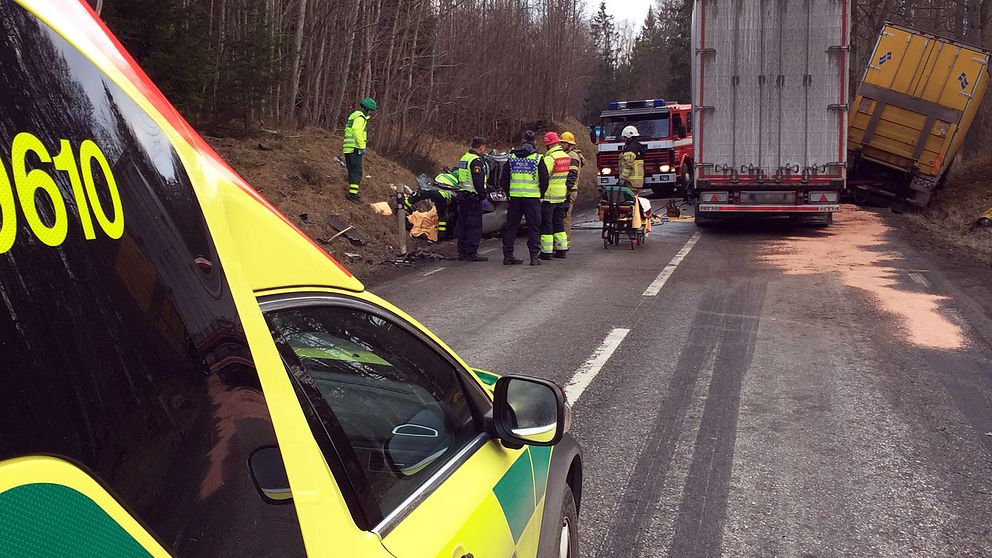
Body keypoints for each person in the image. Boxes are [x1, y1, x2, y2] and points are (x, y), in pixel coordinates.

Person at [501, 131, 546, 266]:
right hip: (532, 198)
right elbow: (544, 180)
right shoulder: (537, 158)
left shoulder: (512, 157)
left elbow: (504, 179)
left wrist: (509, 193)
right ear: (533, 142)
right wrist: (541, 194)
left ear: (522, 141)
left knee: (511, 227)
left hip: (515, 197)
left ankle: (508, 256)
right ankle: (534, 257)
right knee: (534, 227)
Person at [455, 137, 490, 262]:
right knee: (474, 225)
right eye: (484, 148)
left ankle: (462, 252)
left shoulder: (464, 158)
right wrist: (483, 196)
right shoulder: (475, 161)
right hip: (473, 198)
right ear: (481, 147)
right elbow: (478, 181)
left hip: (463, 196)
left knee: (463, 224)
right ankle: (471, 253)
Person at [540, 132, 571, 260]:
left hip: (549, 196)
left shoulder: (550, 158)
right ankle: (561, 250)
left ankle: (546, 252)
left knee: (546, 224)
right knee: (559, 224)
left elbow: (543, 176)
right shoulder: (566, 157)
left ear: (548, 144)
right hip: (561, 195)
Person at [405, 170, 458, 240]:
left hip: (431, 190)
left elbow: (433, 182)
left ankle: (404, 205)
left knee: (419, 195)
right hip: (442, 197)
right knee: (442, 217)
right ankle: (441, 237)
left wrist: (406, 204)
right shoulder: (456, 182)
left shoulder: (442, 175)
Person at [342, 97, 377, 203]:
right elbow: (357, 132)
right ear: (366, 109)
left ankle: (353, 193)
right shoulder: (360, 117)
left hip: (349, 147)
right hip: (355, 148)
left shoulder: (354, 115)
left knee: (352, 170)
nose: (371, 113)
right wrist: (362, 147)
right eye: (371, 110)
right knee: (357, 171)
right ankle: (353, 195)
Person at [560, 131, 585, 240]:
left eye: (564, 143)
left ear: (569, 144)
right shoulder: (570, 154)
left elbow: (572, 175)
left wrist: (567, 191)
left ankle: (565, 243)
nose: (561, 145)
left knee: (565, 218)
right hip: (568, 190)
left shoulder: (572, 156)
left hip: (569, 191)